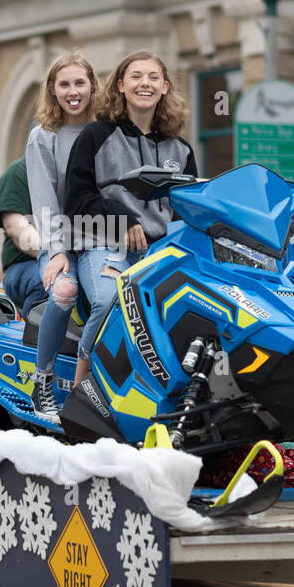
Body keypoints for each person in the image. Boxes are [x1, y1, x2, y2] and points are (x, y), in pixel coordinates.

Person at [64, 50, 197, 390]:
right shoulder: (96, 135)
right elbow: (76, 201)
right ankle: (80, 390)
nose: (145, 83)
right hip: (106, 245)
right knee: (109, 301)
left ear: (165, 87)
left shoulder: (180, 149)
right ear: (121, 85)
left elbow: (188, 209)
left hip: (161, 254)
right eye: (136, 76)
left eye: (153, 77)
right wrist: (123, 221)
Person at [26, 52, 98, 418]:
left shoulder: (104, 131)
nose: (73, 91)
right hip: (60, 243)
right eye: (64, 84)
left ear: (92, 86)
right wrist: (56, 251)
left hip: (102, 240)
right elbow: (43, 201)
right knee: (65, 290)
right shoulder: (43, 137)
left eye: (80, 83)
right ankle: (43, 381)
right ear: (52, 90)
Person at [0, 157, 44, 320]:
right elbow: (15, 227)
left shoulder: (75, 169)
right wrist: (55, 254)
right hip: (25, 264)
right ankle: (33, 339)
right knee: (48, 281)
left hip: (70, 260)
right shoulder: (18, 172)